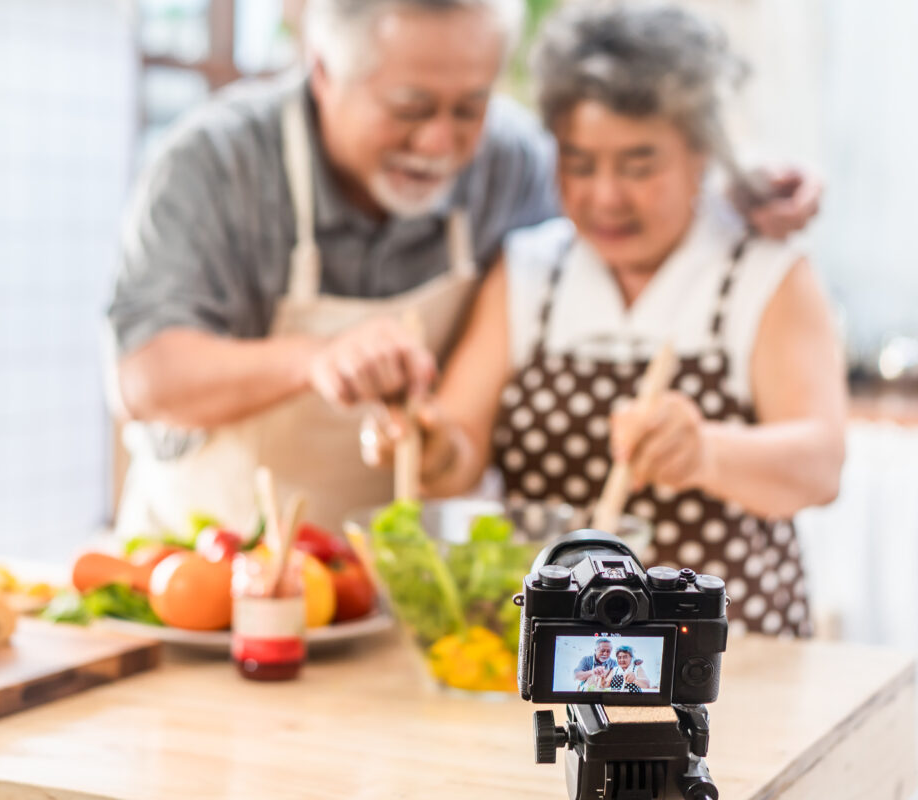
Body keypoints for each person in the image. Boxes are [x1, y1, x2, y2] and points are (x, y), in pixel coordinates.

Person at [107, 0, 823, 536]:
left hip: (392, 594)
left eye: (469, 107)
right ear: (323, 73)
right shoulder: (213, 165)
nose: (442, 142)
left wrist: (735, 182)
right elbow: (144, 379)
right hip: (208, 566)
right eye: (410, 107)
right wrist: (315, 360)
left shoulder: (508, 161)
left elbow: (617, 178)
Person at [362, 1, 846, 638]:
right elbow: (459, 454)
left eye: (640, 165)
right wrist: (422, 445)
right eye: (580, 163)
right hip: (565, 653)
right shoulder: (531, 270)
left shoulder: (763, 274)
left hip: (728, 654)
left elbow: (821, 465)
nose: (606, 196)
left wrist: (704, 453)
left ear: (700, 152)